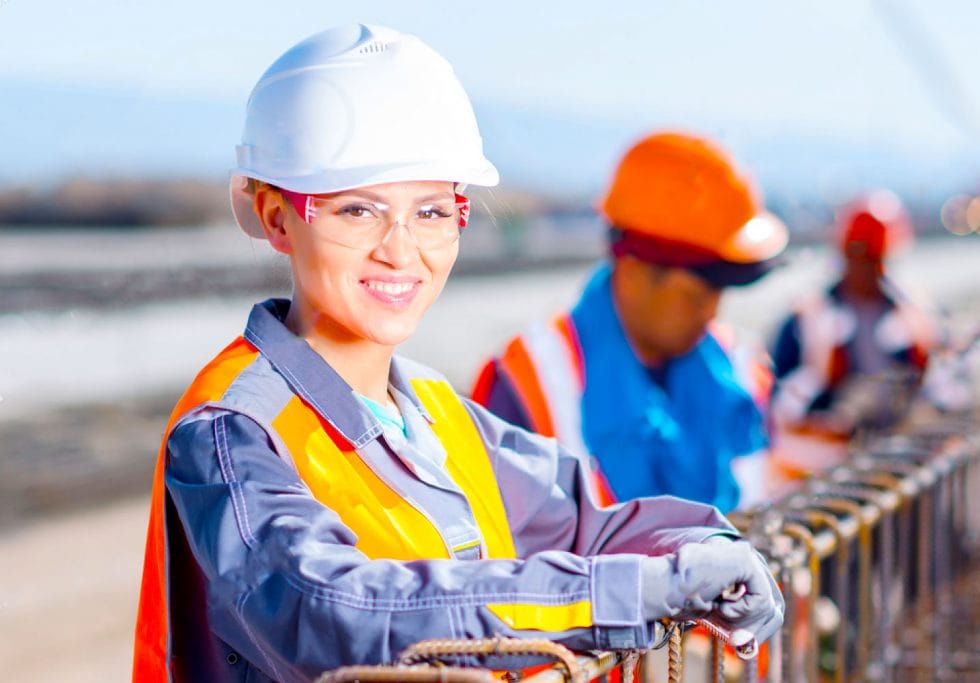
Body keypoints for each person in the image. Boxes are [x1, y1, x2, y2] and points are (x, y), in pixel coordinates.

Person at [131, 25, 783, 682]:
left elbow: (586, 522)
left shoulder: (437, 413)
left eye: (432, 213)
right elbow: (336, 612)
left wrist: (706, 545)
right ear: (277, 217)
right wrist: (627, 594)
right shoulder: (231, 432)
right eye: (357, 210)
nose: (400, 250)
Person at [471, 132, 789, 511]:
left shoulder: (741, 367)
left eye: (719, 293)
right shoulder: (529, 382)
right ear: (635, 270)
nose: (710, 313)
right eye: (695, 295)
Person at [769, 189, 937, 469]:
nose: (865, 267)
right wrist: (819, 401)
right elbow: (778, 404)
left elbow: (942, 388)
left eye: (874, 257)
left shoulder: (915, 317)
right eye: (858, 254)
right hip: (827, 463)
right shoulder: (806, 319)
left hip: (895, 457)